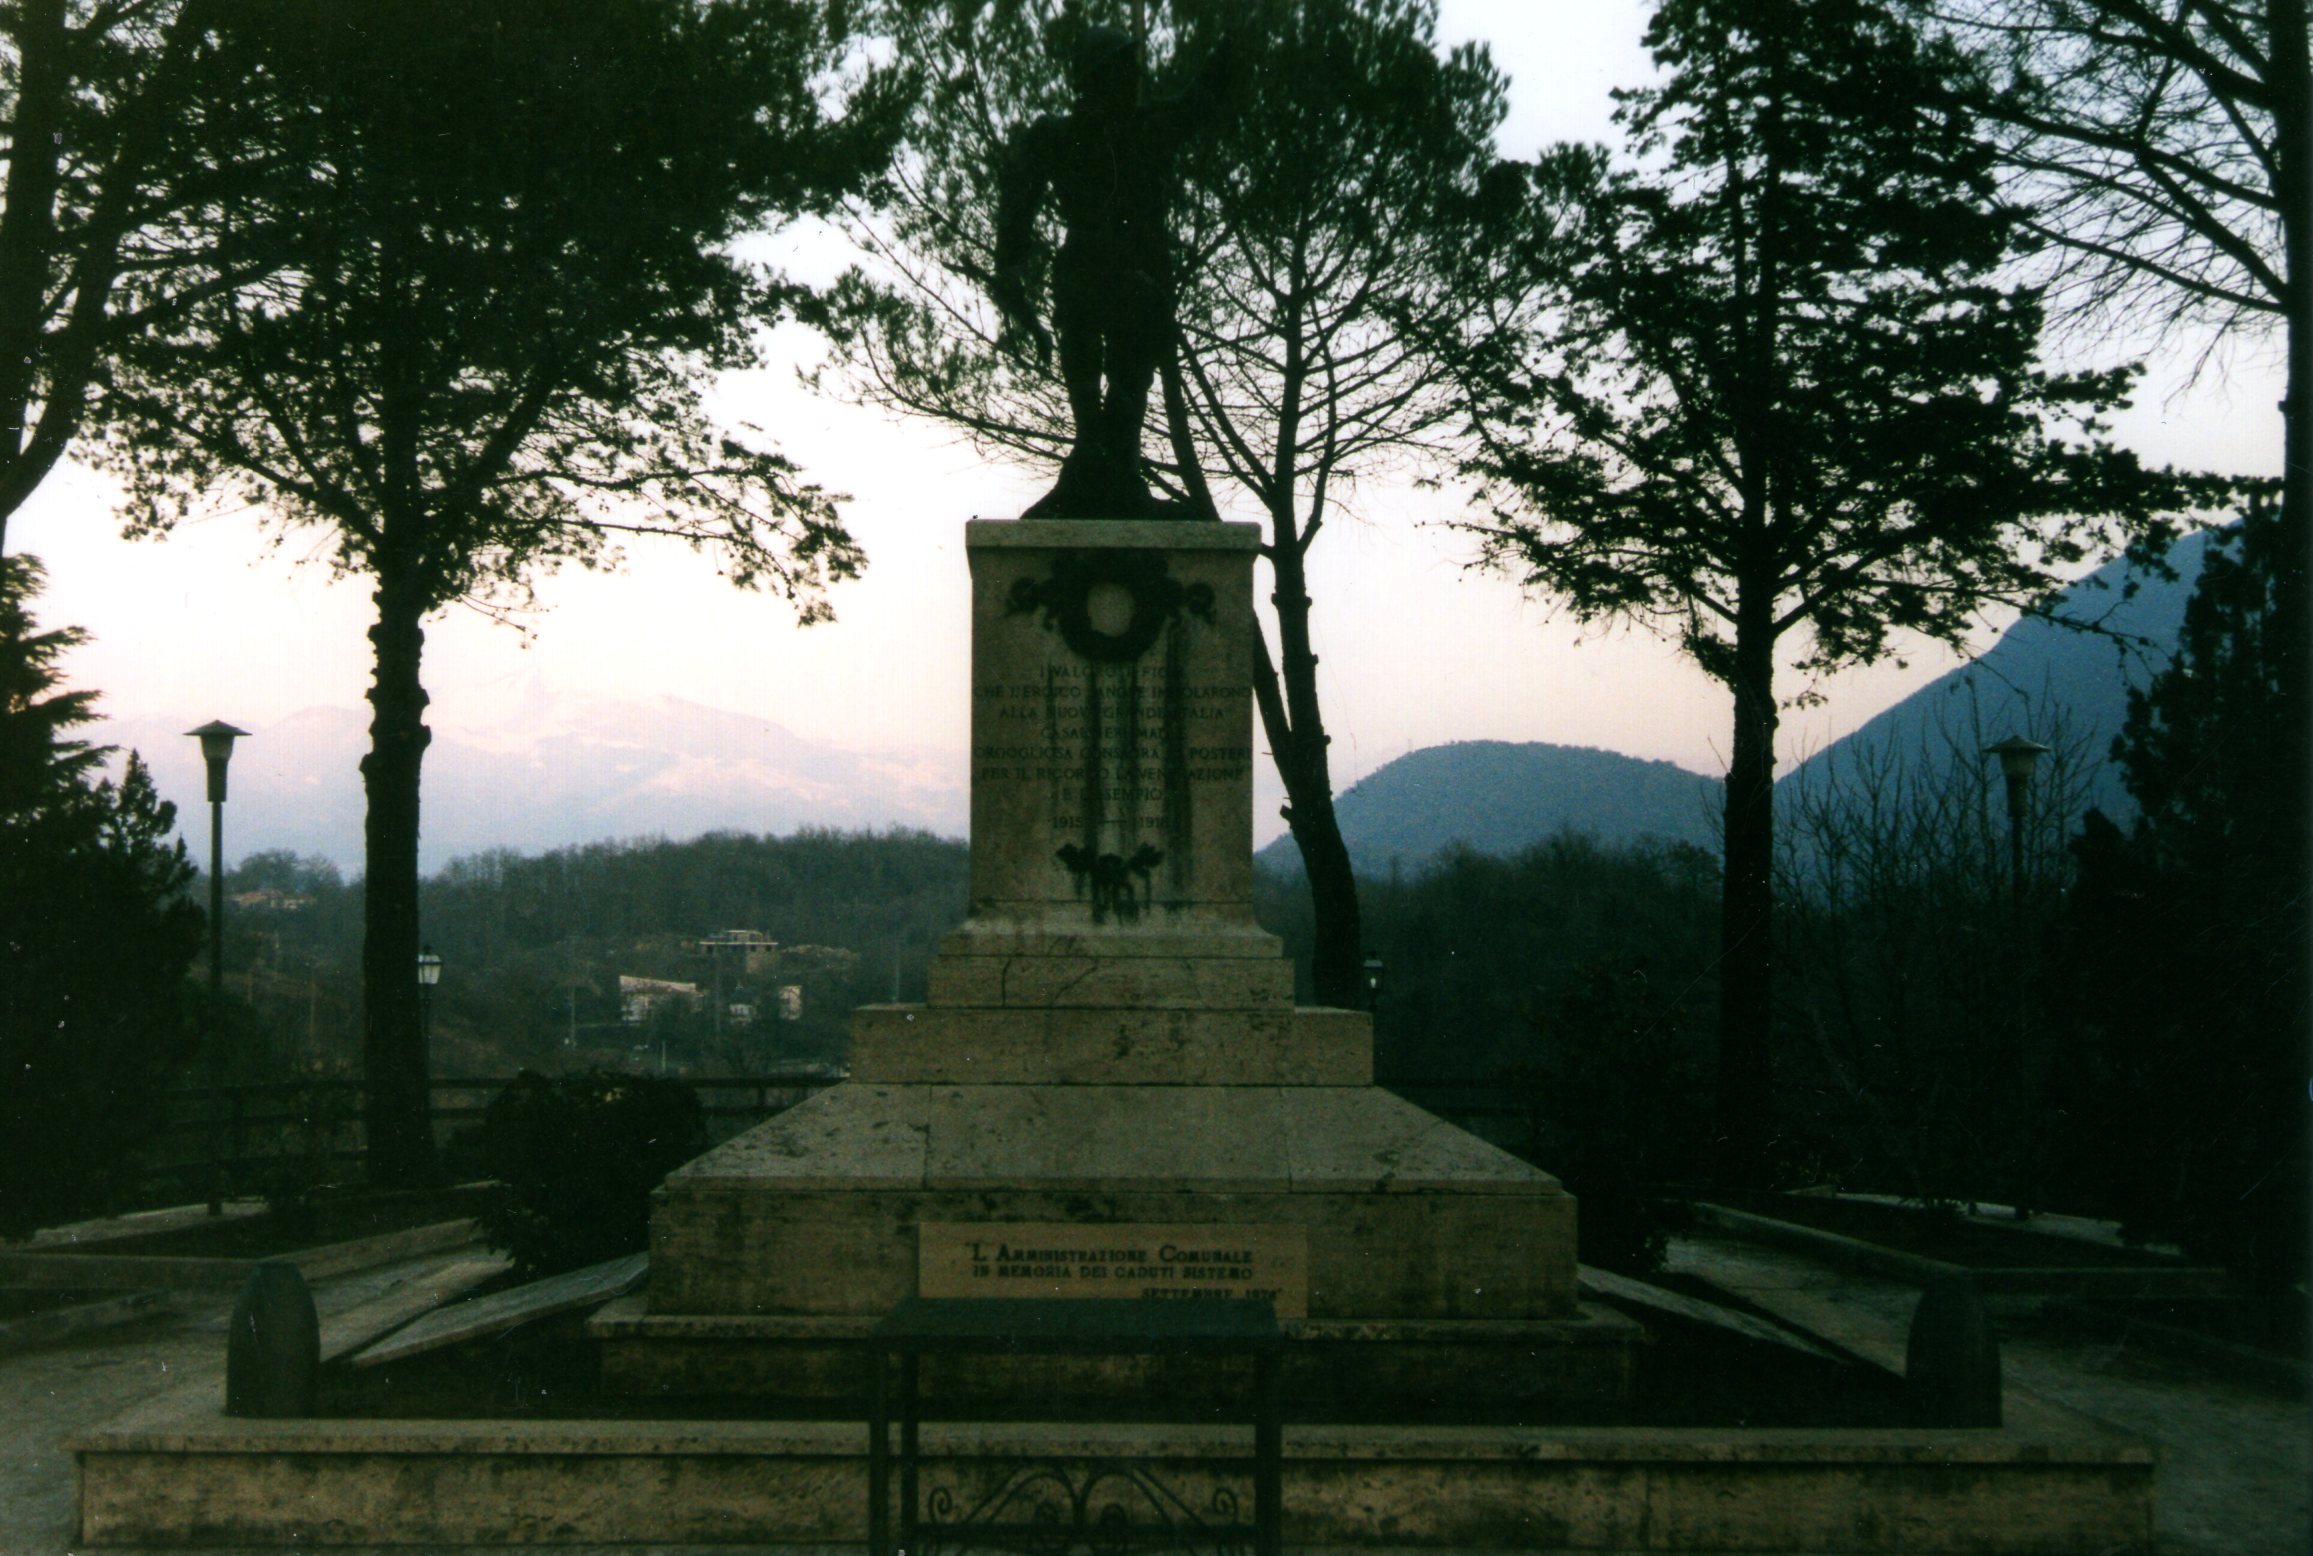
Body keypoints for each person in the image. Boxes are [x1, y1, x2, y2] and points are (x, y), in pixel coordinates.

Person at [991, 23, 1232, 518]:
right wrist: (1010, 267)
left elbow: (1199, 100)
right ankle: (1099, 462)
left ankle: (1112, 467)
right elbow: (1018, 202)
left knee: (1129, 372)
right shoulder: (1060, 133)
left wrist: (1231, 38)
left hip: (1129, 280)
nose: (1134, 80)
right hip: (1093, 272)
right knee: (1092, 362)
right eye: (1124, 70)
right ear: (1096, 77)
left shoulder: (1144, 125)